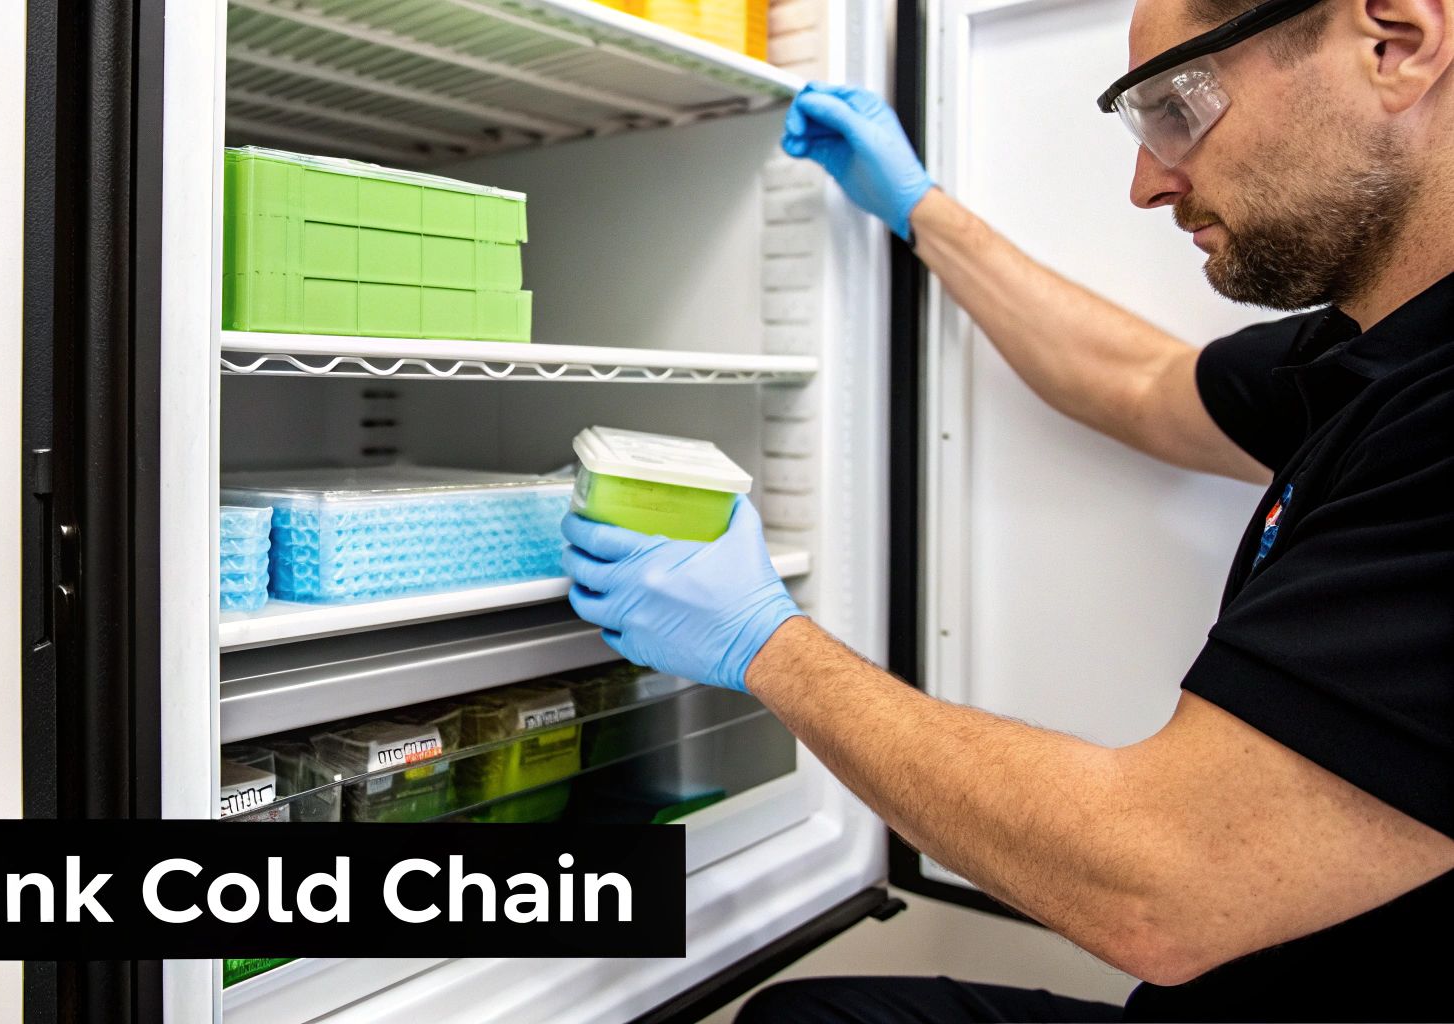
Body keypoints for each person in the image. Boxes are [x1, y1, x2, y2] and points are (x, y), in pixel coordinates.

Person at [557, 0, 1454, 1017]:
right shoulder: (1371, 351)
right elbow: (1135, 382)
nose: (1145, 180)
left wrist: (766, 641)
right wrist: (917, 209)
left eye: (1174, 106)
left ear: (1396, 41)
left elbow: (1160, 885)